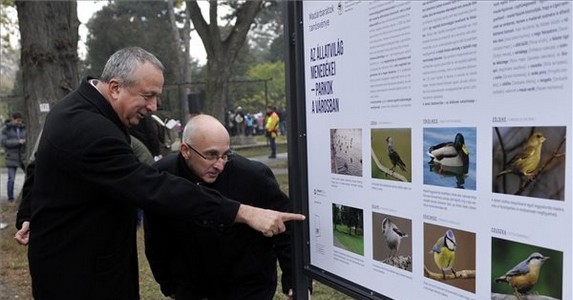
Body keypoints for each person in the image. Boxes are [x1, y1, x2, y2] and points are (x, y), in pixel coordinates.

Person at [22, 47, 304, 300]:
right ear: (116, 87)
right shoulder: (89, 128)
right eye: (148, 96)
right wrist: (243, 212)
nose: (154, 106)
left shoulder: (79, 109)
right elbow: (151, 187)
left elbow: (40, 166)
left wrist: (28, 214)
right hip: (81, 277)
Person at [144, 114, 294, 299]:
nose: (220, 165)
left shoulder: (254, 177)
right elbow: (155, 236)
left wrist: (293, 279)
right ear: (185, 150)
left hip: (248, 285)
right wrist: (168, 284)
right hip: (192, 287)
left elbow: (286, 227)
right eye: (211, 155)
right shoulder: (162, 176)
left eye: (225, 155)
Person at [1, 112, 27, 203]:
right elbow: (4, 142)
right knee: (11, 179)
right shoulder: (6, 129)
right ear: (13, 119)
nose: (19, 122)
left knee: (30, 175)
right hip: (11, 157)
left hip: (22, 156)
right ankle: (10, 198)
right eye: (17, 120)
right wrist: (18, 142)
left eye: (20, 120)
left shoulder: (24, 128)